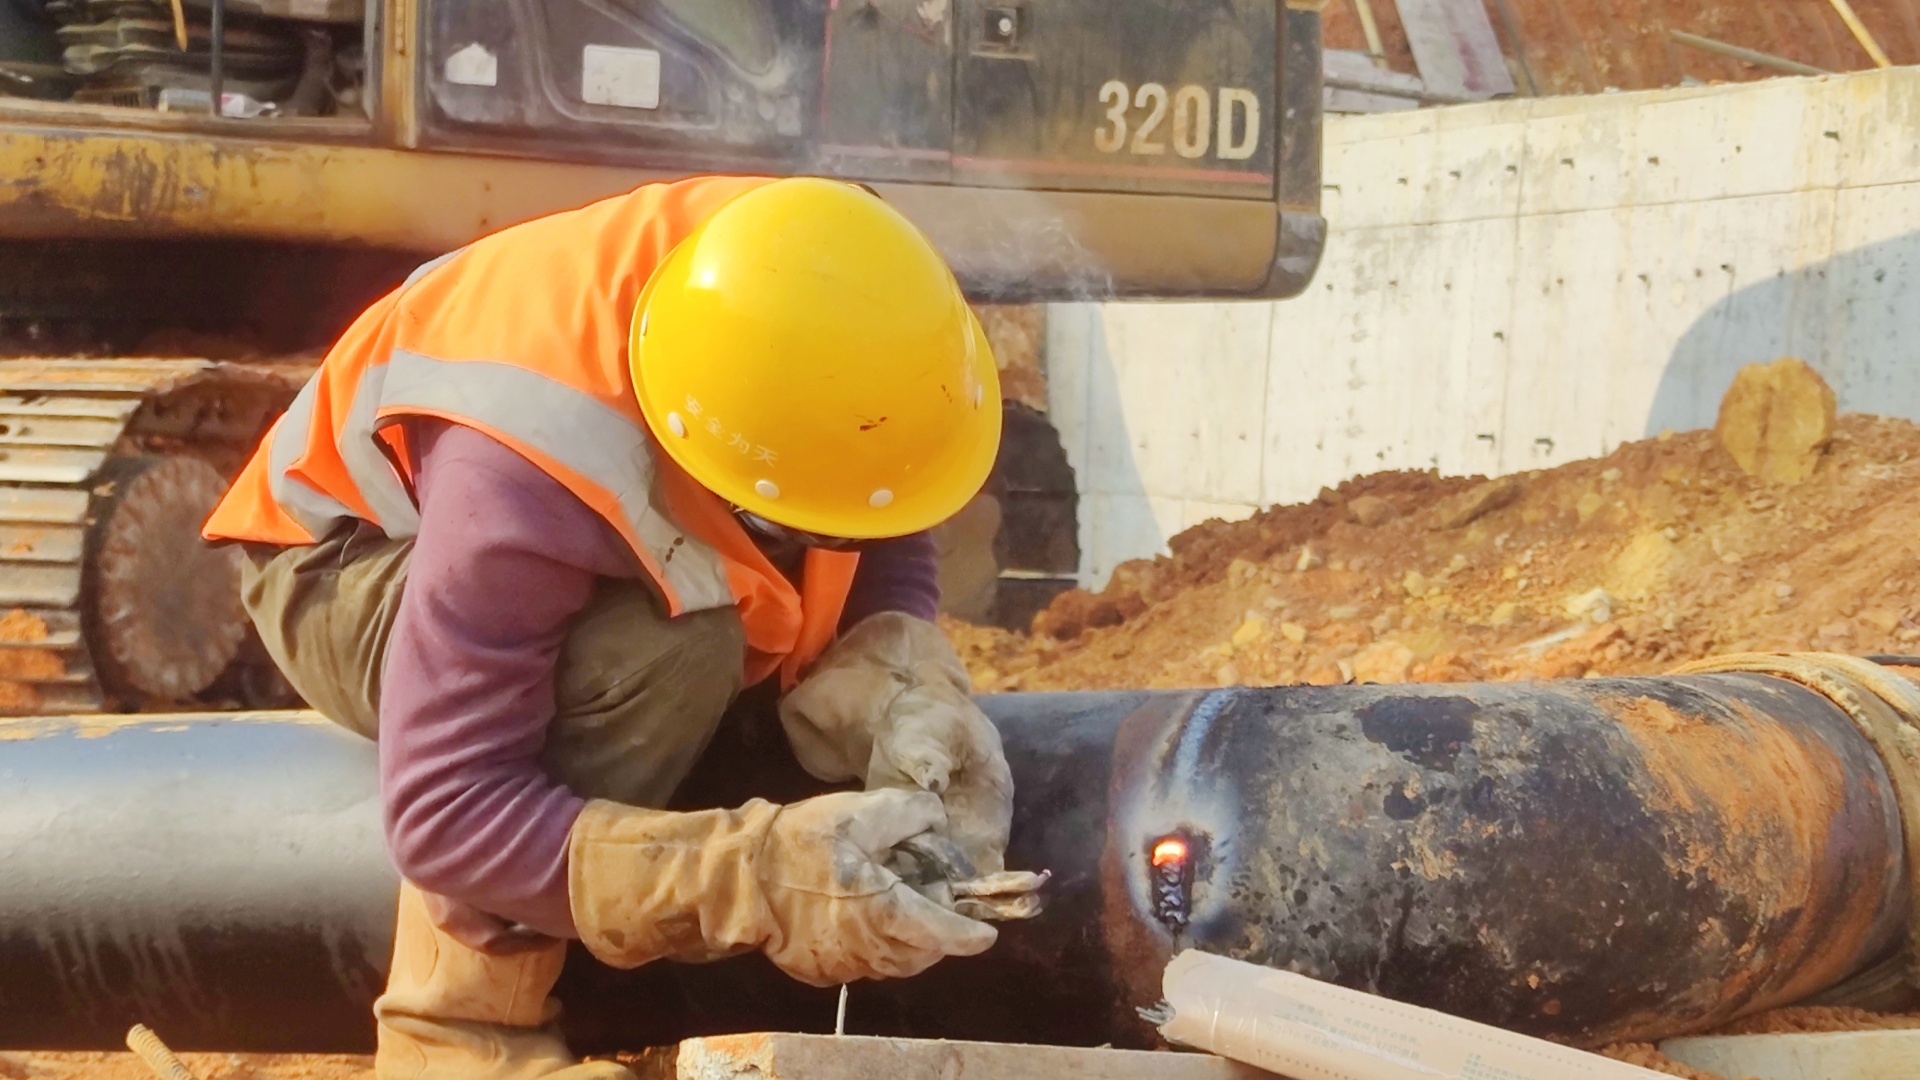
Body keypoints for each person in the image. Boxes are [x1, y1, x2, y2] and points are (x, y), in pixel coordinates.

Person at [203, 176, 1015, 1080]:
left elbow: (883, 504)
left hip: (569, 498)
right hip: (344, 557)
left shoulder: (844, 273)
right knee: (675, 647)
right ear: (714, 455)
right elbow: (448, 810)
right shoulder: (525, 467)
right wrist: (754, 877)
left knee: (704, 627)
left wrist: (897, 675)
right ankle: (463, 1035)